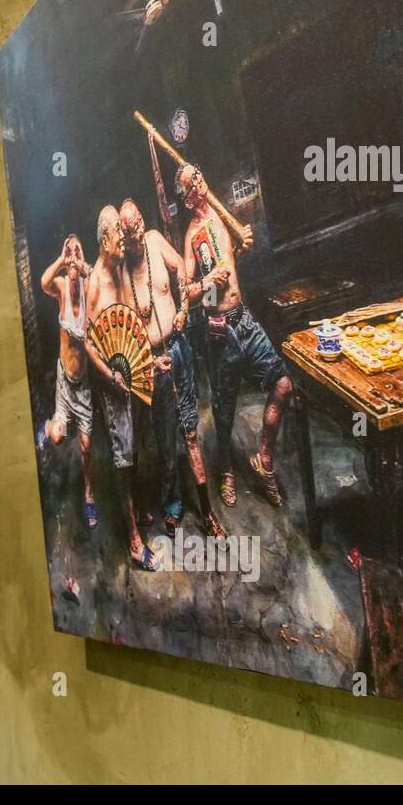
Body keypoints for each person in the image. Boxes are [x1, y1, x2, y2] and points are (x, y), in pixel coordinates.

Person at [176, 163, 292, 509]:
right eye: (190, 182)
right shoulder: (192, 235)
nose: (199, 181)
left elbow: (231, 261)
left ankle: (264, 461)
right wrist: (208, 287)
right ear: (185, 199)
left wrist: (242, 247)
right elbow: (187, 293)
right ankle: (226, 470)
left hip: (246, 323)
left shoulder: (223, 216)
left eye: (198, 174)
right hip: (220, 334)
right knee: (224, 414)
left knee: (283, 385)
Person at [119, 200, 225, 538]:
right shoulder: (120, 271)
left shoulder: (154, 241)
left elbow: (182, 269)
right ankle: (173, 505)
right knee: (165, 439)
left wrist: (182, 309)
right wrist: (149, 361)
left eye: (137, 222)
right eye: (128, 228)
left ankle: (207, 512)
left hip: (178, 349)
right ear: (120, 235)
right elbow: (121, 333)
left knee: (190, 431)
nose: (136, 230)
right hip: (153, 361)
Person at [85, 206, 159, 570]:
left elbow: (130, 326)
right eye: (118, 235)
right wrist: (109, 376)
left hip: (131, 378)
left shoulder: (118, 269)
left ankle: (140, 507)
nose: (122, 241)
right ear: (104, 241)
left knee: (135, 450)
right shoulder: (95, 282)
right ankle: (132, 540)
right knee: (122, 456)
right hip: (111, 384)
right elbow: (88, 341)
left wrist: (148, 361)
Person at [35, 235, 99, 529]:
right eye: (68, 250)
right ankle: (45, 428)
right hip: (64, 381)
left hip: (83, 384)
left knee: (86, 447)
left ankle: (89, 495)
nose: (72, 256)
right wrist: (63, 259)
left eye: (77, 250)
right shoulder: (60, 287)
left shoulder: (87, 288)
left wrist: (83, 264)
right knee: (59, 437)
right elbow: (43, 282)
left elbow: (98, 276)